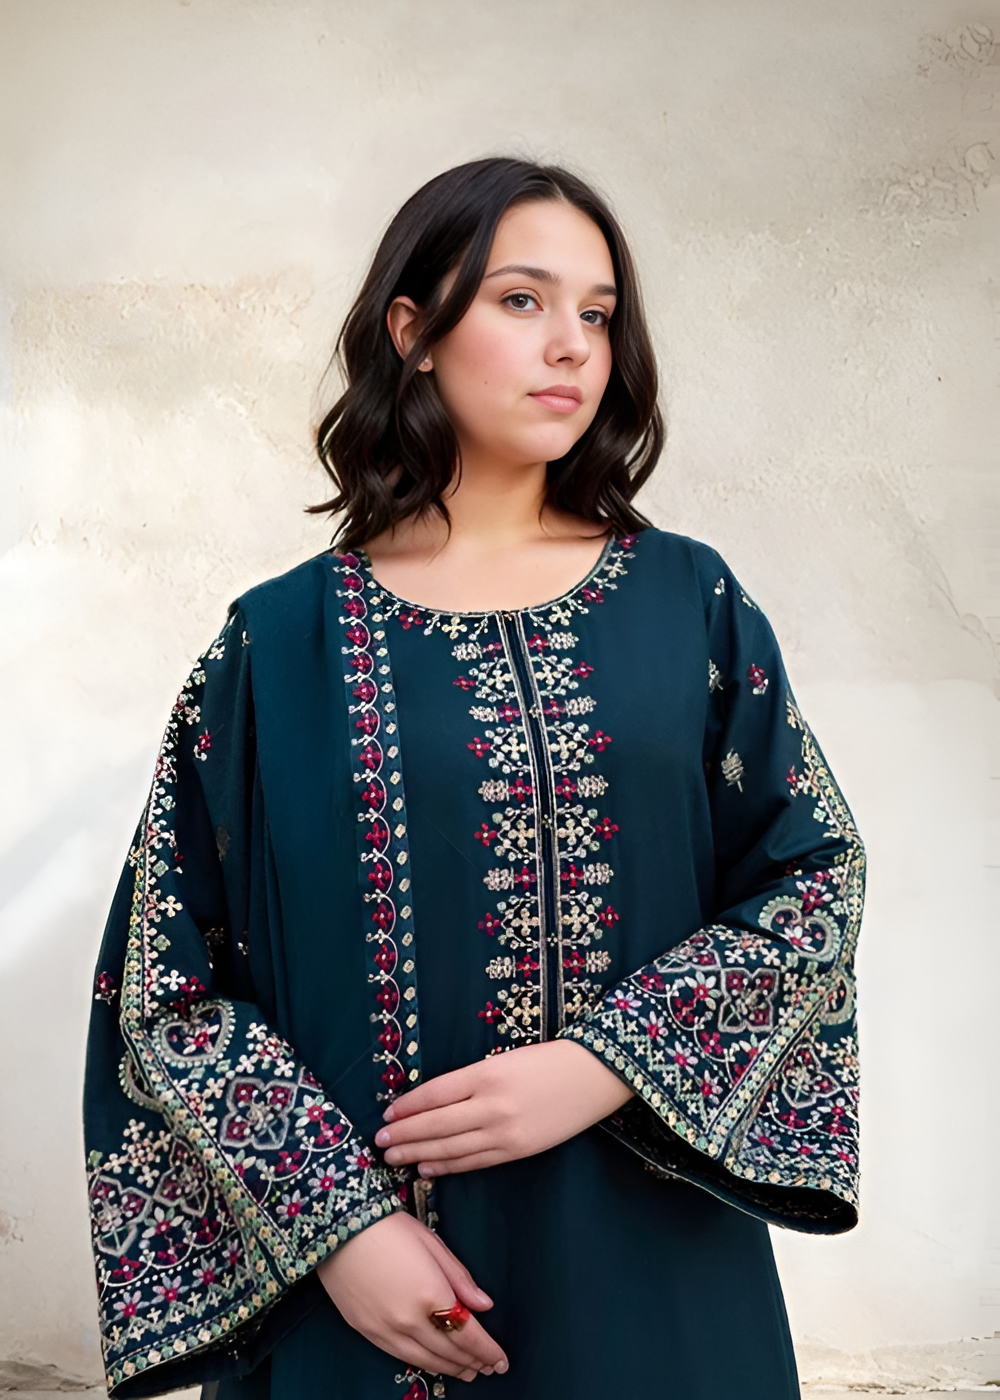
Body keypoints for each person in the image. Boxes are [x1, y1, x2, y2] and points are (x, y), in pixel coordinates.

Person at [84, 158, 864, 1400]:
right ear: (413, 331)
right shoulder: (278, 644)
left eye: (598, 312)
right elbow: (166, 985)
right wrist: (337, 1228)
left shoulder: (690, 603)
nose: (571, 345)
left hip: (656, 1277)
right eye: (521, 299)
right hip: (371, 1301)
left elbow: (813, 878)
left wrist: (604, 1062)